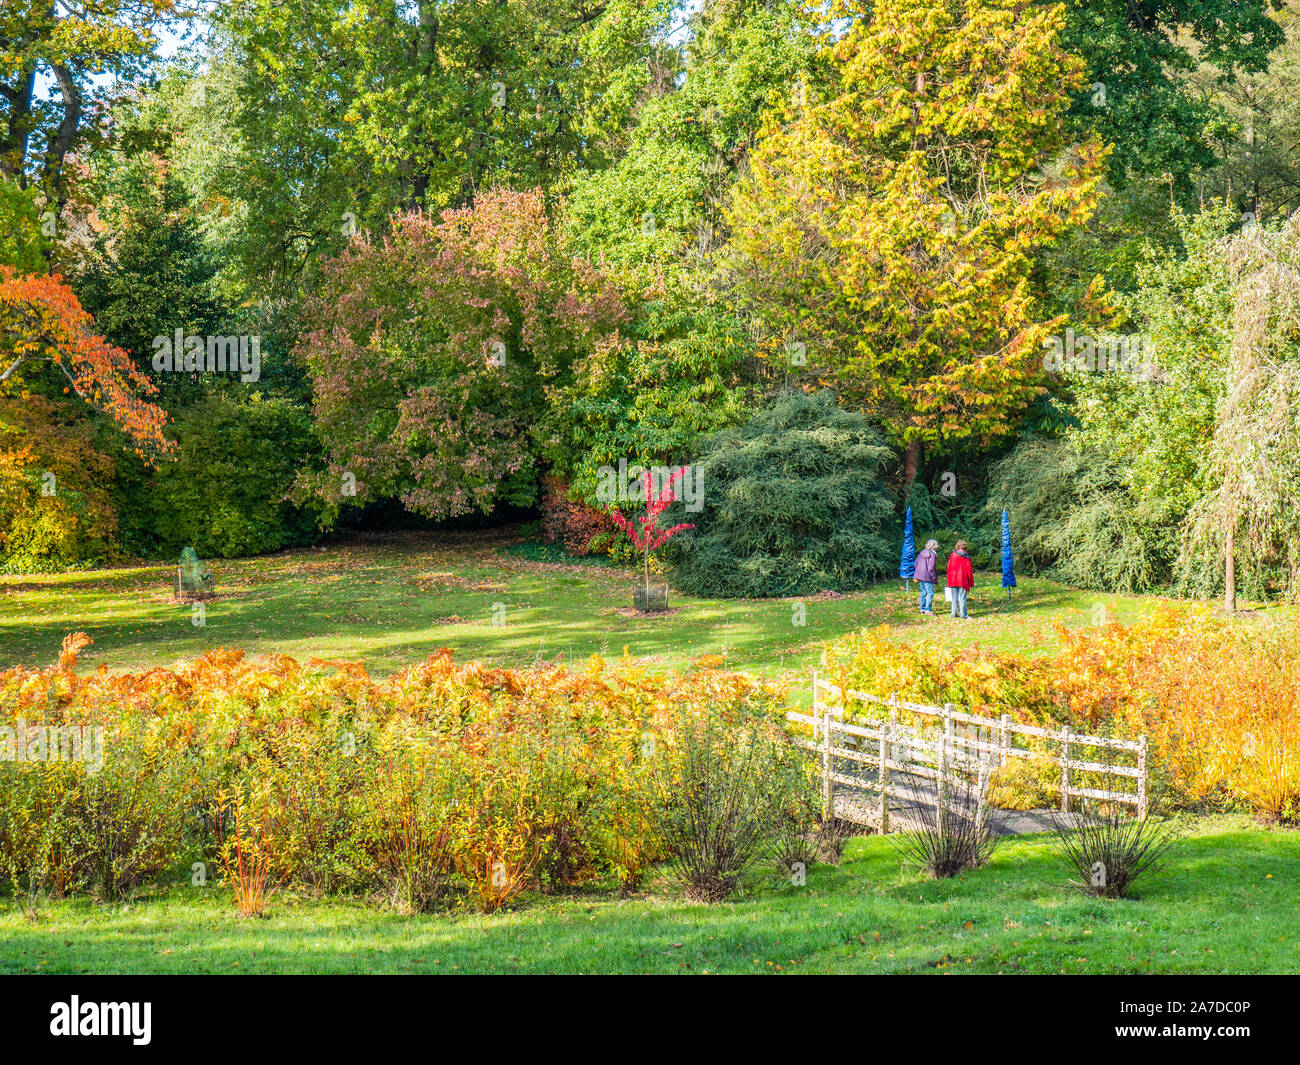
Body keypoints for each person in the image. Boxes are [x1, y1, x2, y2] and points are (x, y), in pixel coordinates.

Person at [946, 540, 974, 619]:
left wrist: (949, 578)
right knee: (962, 598)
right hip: (963, 580)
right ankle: (963, 614)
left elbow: (949, 568)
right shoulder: (966, 557)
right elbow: (969, 570)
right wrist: (971, 581)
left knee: (954, 597)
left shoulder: (952, 555)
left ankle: (954, 613)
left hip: (953, 578)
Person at [914, 539, 938, 614]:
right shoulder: (932, 554)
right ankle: (928, 609)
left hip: (920, 575)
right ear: (934, 546)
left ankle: (922, 608)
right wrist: (934, 577)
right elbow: (931, 568)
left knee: (923, 592)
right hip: (927, 576)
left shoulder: (922, 552)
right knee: (930, 593)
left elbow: (915, 564)